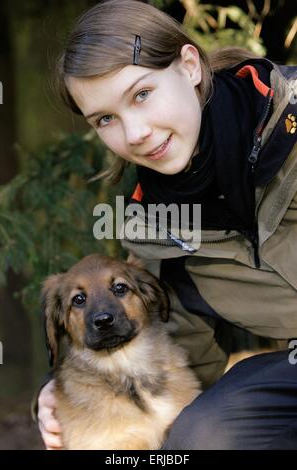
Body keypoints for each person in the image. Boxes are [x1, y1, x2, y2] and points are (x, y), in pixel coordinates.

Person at [36, 0, 297, 450]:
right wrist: (62, 390)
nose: (134, 133)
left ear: (189, 66)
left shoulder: (287, 120)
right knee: (203, 435)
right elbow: (173, 349)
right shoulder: (155, 228)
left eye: (141, 94)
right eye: (106, 119)